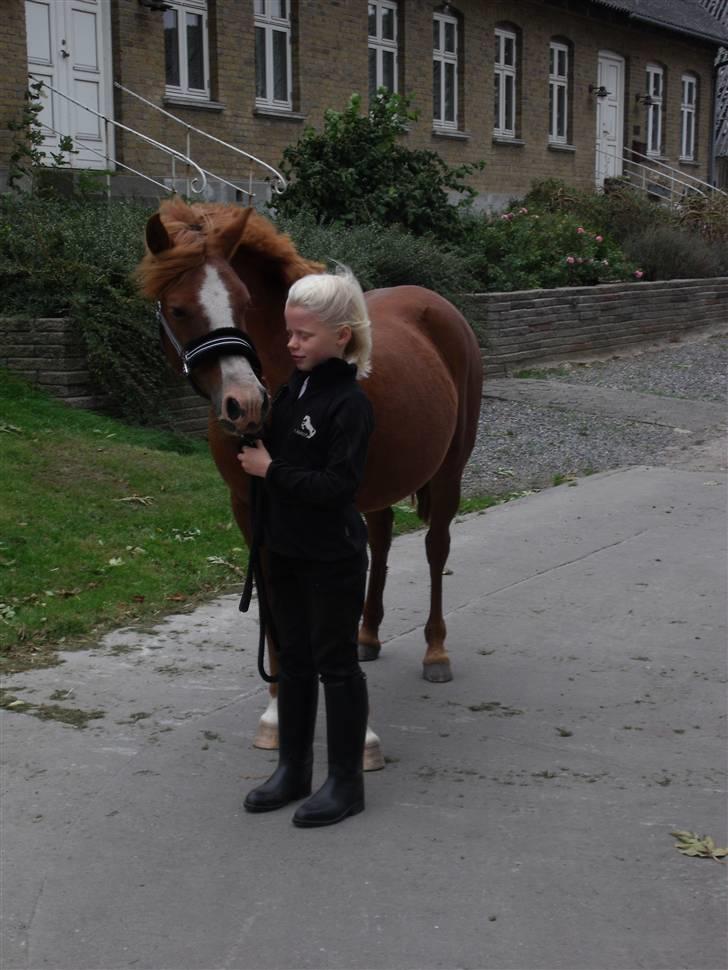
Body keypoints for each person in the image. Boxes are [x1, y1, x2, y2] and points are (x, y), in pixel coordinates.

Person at [238, 266, 374, 828]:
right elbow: (279, 451)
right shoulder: (293, 388)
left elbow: (338, 487)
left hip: (332, 556)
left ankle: (346, 782)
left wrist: (271, 470)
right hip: (286, 550)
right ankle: (292, 769)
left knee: (336, 665)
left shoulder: (350, 404)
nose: (291, 343)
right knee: (292, 660)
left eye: (304, 335)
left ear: (341, 336)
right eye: (289, 332)